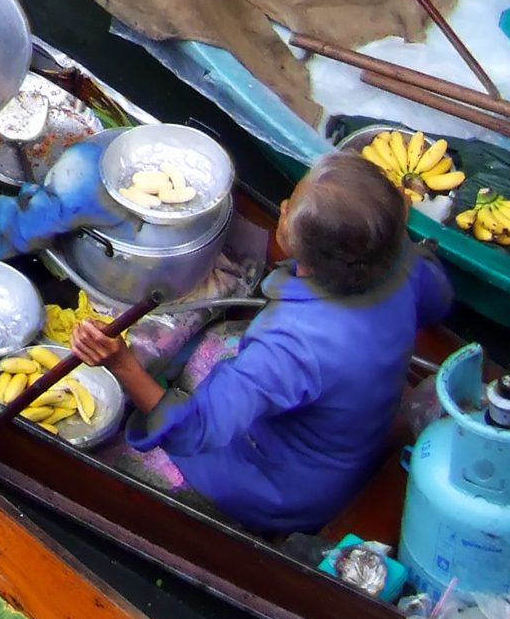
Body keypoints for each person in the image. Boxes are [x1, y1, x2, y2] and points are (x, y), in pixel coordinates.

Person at [70, 154, 451, 535]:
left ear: (309, 254)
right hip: (355, 439)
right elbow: (439, 301)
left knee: (114, 463)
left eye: (289, 209)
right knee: (221, 344)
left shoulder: (292, 344)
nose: (283, 207)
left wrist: (123, 364)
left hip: (287, 490)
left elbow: (192, 430)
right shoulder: (402, 260)